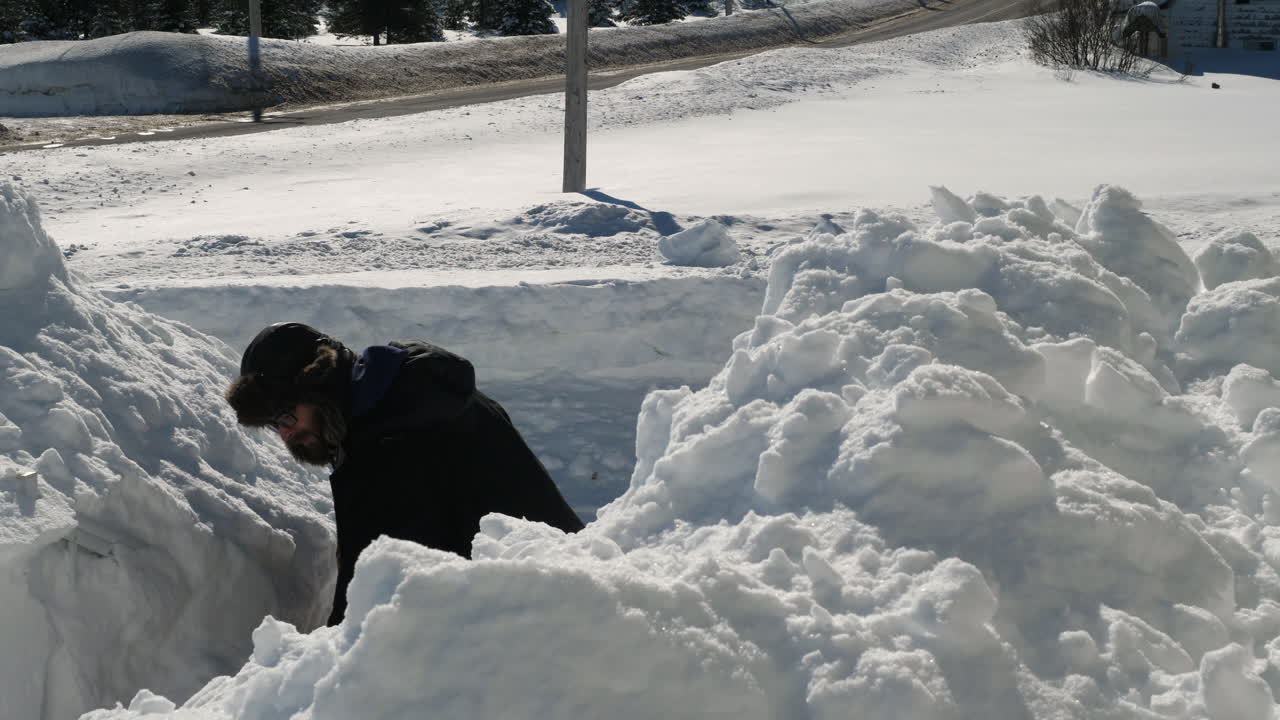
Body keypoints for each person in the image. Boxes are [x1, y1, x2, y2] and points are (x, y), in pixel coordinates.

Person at [224, 322, 584, 625]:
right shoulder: (410, 398)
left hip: (540, 630)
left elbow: (378, 608)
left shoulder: (389, 448)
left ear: (321, 386)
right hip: (562, 600)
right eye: (273, 425)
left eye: (286, 415)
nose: (286, 433)